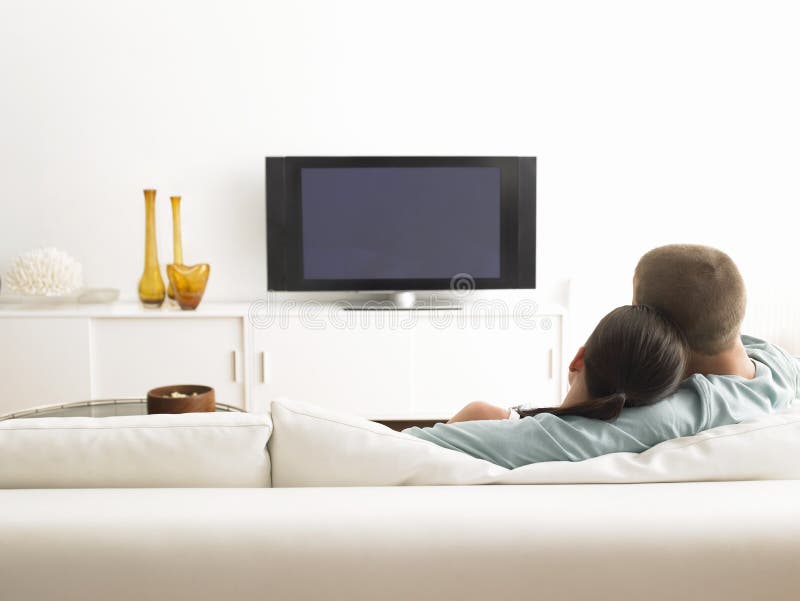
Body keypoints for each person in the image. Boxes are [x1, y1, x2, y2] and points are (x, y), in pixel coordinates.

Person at [403, 244, 799, 469]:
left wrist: (400, 442)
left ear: (661, 329)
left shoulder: (687, 411)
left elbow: (547, 440)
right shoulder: (775, 367)